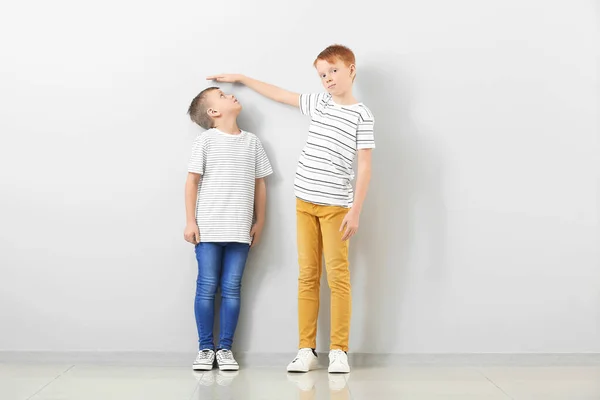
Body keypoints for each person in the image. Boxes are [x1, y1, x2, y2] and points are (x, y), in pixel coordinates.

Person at [208, 44, 375, 373]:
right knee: (307, 276)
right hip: (303, 202)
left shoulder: (362, 114)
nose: (327, 79)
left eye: (333, 71)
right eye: (322, 74)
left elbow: (366, 165)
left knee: (338, 277)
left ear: (351, 69)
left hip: (336, 206)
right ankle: (306, 349)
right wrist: (243, 78)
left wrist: (355, 209)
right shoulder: (319, 103)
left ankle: (339, 350)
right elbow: (280, 94)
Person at [184, 87, 273, 371]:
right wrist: (190, 221)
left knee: (232, 289)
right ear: (213, 112)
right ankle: (205, 348)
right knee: (207, 287)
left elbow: (261, 184)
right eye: (222, 96)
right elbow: (191, 182)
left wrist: (260, 221)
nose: (230, 96)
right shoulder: (205, 142)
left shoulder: (252, 143)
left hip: (240, 230)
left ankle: (225, 349)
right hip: (208, 230)